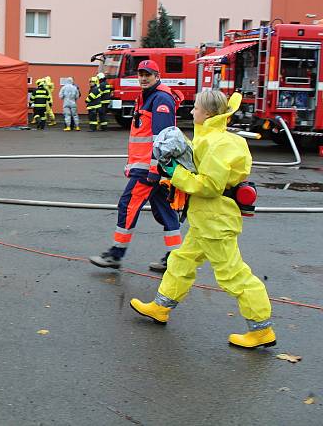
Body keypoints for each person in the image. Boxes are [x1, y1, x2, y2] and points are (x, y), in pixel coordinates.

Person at [130, 90, 276, 349]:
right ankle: (160, 307)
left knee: (233, 274)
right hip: (205, 219)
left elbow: (209, 186)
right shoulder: (210, 138)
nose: (192, 111)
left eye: (196, 107)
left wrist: (174, 172)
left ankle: (261, 329)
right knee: (182, 260)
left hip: (215, 221)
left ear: (207, 113)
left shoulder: (218, 143)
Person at [90, 59, 181, 273]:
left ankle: (115, 254)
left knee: (128, 205)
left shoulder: (160, 99)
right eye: (140, 74)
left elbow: (162, 139)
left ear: (157, 76)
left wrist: (153, 169)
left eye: (148, 74)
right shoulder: (148, 97)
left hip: (150, 169)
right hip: (151, 168)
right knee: (165, 211)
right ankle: (175, 259)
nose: (143, 78)